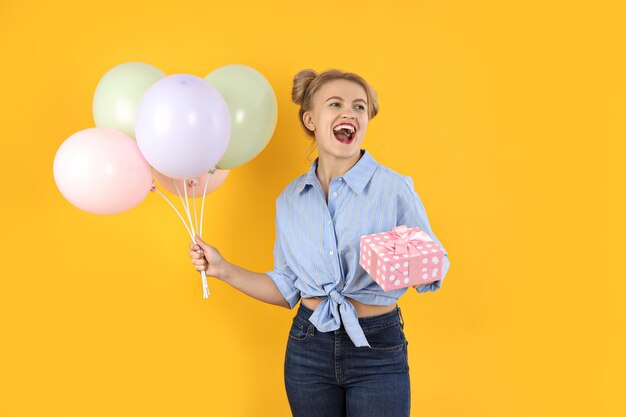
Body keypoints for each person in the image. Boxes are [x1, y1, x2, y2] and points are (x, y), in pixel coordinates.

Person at [189, 68, 450, 417]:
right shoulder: (291, 200)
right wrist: (222, 269)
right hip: (308, 347)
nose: (349, 113)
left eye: (359, 107)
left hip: (377, 345)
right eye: (336, 104)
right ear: (310, 119)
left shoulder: (393, 188)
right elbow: (287, 289)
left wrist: (410, 265)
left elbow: (434, 265)